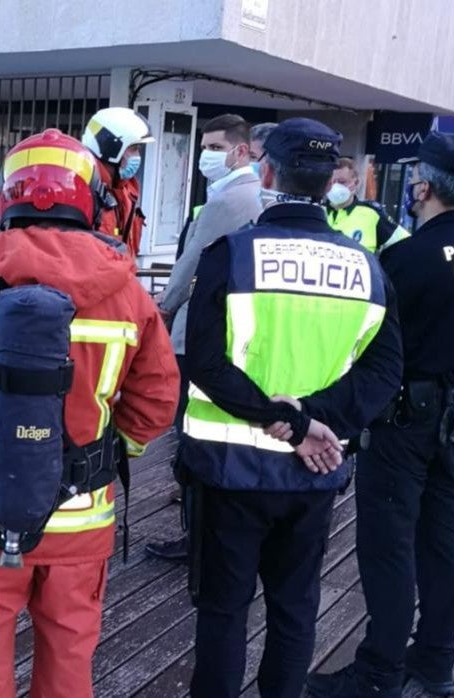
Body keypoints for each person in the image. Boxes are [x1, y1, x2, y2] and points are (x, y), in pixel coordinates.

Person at [0, 128, 180, 697]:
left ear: (8, 198)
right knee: (70, 666)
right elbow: (157, 398)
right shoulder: (127, 294)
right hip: (82, 522)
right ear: (91, 201)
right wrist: (108, 454)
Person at [183, 118, 403, 698]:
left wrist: (286, 419)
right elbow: (384, 373)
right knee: (295, 608)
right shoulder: (367, 268)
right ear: (331, 180)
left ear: (268, 173)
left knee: (224, 611)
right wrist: (309, 422)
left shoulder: (228, 254)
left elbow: (204, 362)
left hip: (228, 469)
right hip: (314, 473)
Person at [307, 132, 454, 698]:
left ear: (425, 186)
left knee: (387, 545)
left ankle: (378, 672)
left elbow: (372, 345)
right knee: (441, 539)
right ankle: (437, 660)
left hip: (402, 419)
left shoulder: (405, 258)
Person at [148, 114, 263, 562]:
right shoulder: (248, 195)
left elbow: (193, 263)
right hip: (234, 330)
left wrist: (165, 304)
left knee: (191, 433)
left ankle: (197, 538)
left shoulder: (229, 200)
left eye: (215, 147)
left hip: (200, 332)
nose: (205, 156)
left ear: (240, 151)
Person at [82, 107, 156, 257]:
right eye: (134, 148)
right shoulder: (83, 191)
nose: (138, 155)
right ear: (112, 148)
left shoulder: (126, 191)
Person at [326, 157, 410, 254]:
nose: (335, 186)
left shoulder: (371, 215)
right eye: (331, 182)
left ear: (355, 183)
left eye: (341, 182)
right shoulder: (319, 211)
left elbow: (406, 244)